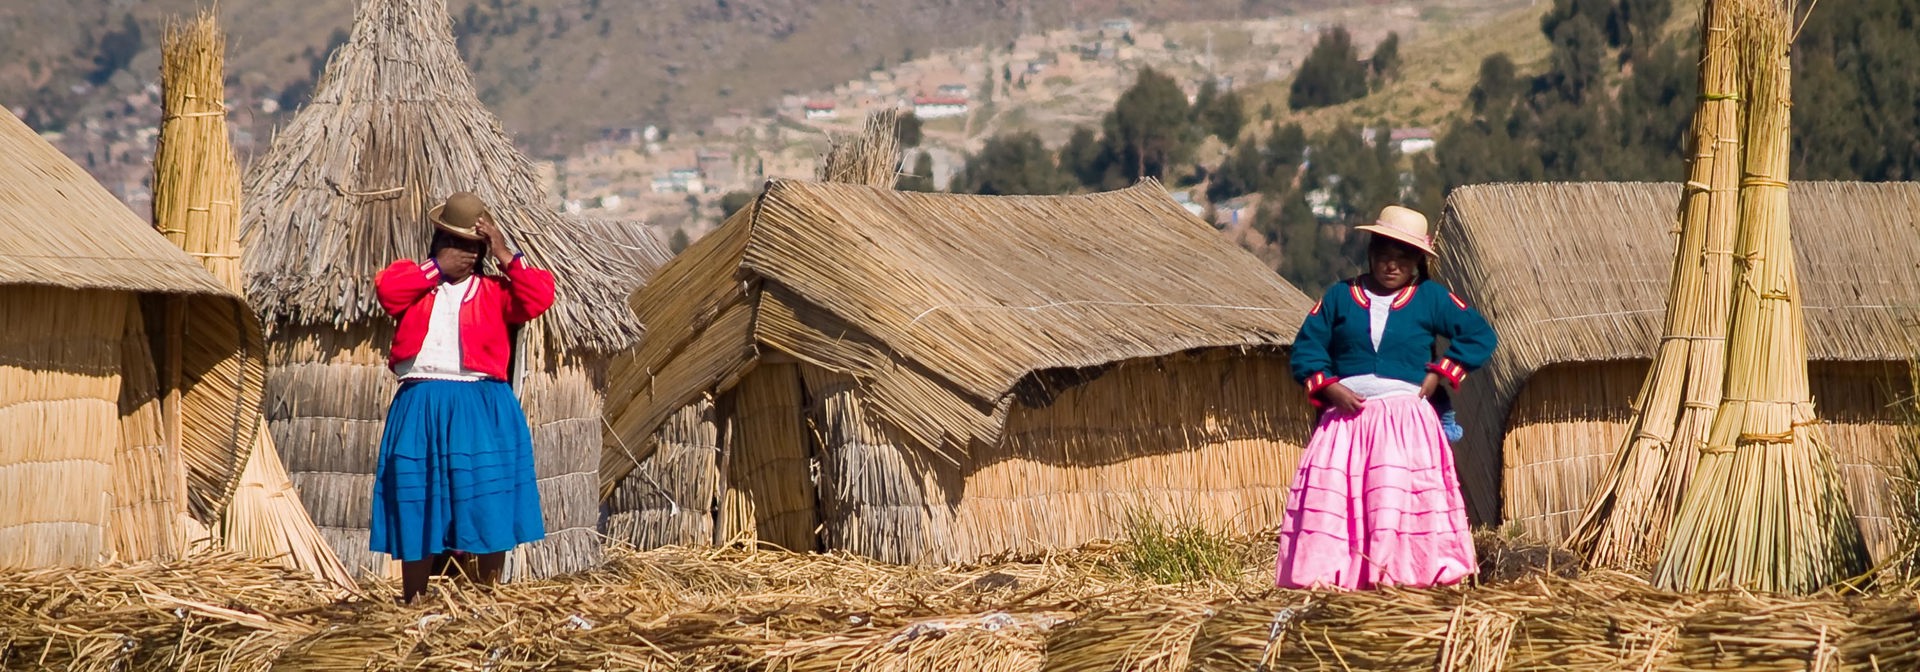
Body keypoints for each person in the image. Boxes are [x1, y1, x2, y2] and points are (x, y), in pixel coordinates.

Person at [1276, 205, 1496, 590]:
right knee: (1337, 501)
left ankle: (1404, 578)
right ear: (1371, 253)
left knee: (1396, 501)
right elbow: (1306, 349)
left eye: (1402, 257)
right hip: (1347, 425)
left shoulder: (1430, 297)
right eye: (1383, 255)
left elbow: (1478, 335)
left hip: (1405, 425)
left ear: (1416, 261)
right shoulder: (1341, 297)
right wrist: (1329, 387)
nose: (1390, 265)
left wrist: (1439, 372)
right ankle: (1332, 580)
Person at [371, 191, 555, 603]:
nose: (463, 254)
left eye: (472, 247)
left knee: (486, 498)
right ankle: (412, 599)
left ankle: (487, 597)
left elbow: (538, 296)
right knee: (416, 496)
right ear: (437, 243)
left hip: (481, 403)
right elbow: (389, 291)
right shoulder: (416, 282)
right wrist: (437, 268)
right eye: (453, 243)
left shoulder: (495, 292)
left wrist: (505, 252)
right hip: (420, 402)